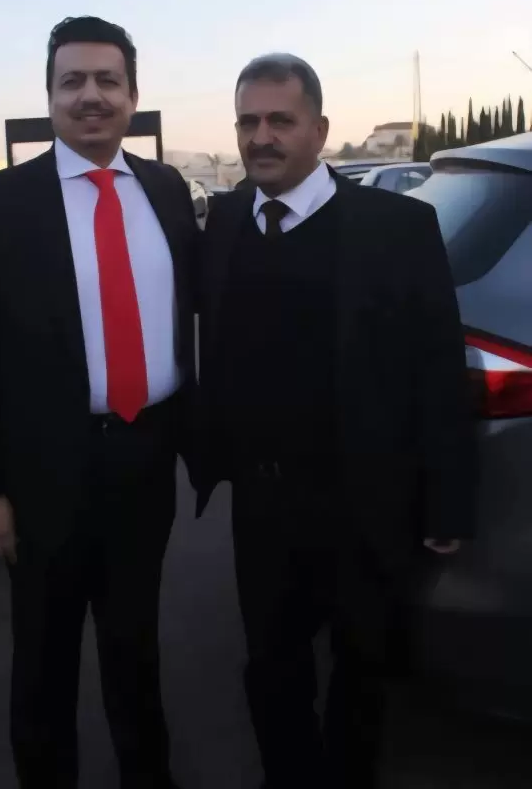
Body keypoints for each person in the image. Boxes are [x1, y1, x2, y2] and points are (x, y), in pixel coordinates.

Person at [0, 16, 199, 789]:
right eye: (71, 81)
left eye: (106, 80)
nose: (90, 96)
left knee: (134, 644)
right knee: (44, 658)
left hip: (145, 458)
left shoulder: (166, 189)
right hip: (42, 472)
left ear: (132, 95)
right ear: (49, 96)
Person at [198, 53, 476, 789]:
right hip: (262, 504)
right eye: (248, 122)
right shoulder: (225, 221)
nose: (261, 137)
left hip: (364, 501)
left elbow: (437, 369)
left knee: (362, 668)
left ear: (319, 130)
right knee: (271, 667)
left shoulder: (398, 227)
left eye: (279, 121)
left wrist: (446, 499)